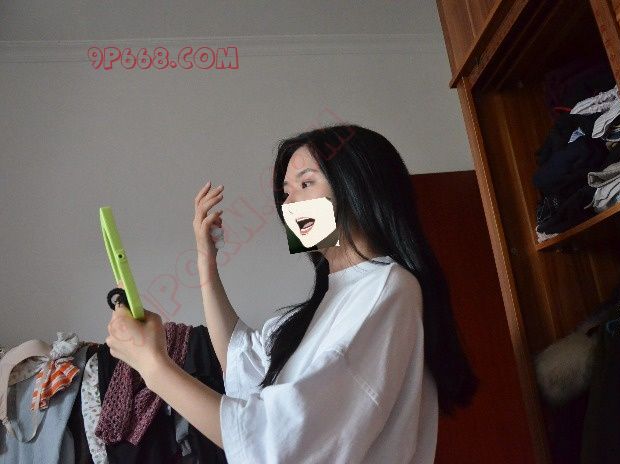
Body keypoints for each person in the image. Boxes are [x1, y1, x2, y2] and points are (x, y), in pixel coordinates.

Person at [105, 124, 477, 463]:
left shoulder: (388, 288)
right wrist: (206, 260)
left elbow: (278, 442)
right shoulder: (331, 300)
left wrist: (153, 366)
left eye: (306, 183)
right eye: (285, 193)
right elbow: (241, 362)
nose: (288, 204)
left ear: (358, 187)